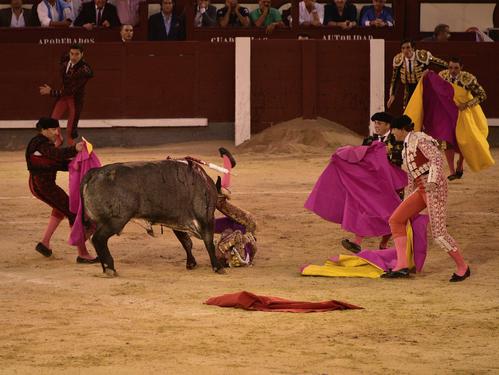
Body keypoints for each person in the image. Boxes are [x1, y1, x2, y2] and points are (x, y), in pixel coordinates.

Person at [384, 115, 470, 282]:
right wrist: (407, 199)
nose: (392, 134)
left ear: (401, 129)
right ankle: (402, 266)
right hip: (422, 188)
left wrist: (431, 181)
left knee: (439, 233)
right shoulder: (407, 144)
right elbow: (411, 175)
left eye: (393, 130)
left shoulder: (419, 139)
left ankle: (463, 267)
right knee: (396, 219)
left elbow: (436, 159)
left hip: (434, 187)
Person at [26, 118, 98, 264]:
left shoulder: (41, 143)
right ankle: (82, 254)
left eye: (57, 129)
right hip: (43, 186)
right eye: (53, 129)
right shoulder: (40, 143)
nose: (56, 132)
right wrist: (74, 150)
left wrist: (75, 162)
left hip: (41, 184)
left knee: (60, 209)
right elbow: (56, 156)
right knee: (72, 212)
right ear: (44, 130)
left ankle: (44, 244)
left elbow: (55, 161)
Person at [341, 111, 404, 253]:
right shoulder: (369, 141)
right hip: (373, 184)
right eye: (375, 123)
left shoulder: (396, 140)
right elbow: (361, 159)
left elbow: (400, 159)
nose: (376, 126)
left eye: (379, 123)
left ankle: (383, 244)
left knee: (393, 215)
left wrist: (390, 153)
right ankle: (357, 242)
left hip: (391, 184)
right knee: (366, 209)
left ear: (388, 125)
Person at [438, 57, 487, 180]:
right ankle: (452, 170)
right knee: (447, 140)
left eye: (456, 68)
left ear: (461, 68)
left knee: (464, 140)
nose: (452, 71)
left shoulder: (468, 79)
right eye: (450, 68)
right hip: (447, 113)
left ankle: (460, 162)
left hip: (463, 113)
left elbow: (482, 95)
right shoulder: (442, 76)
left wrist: (467, 104)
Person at [39, 43, 93, 147]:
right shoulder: (65, 60)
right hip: (64, 96)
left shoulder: (84, 71)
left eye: (77, 54)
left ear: (82, 55)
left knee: (70, 128)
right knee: (53, 120)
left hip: (74, 99)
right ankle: (59, 139)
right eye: (72, 54)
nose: (74, 57)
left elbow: (70, 91)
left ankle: (72, 150)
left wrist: (51, 92)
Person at [387, 39, 447, 109]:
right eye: (403, 48)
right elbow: (395, 78)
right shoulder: (398, 59)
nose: (405, 50)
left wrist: (448, 68)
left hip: (422, 86)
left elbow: (438, 62)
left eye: (408, 47)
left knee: (423, 108)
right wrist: (392, 94)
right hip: (408, 88)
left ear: (413, 48)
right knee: (408, 109)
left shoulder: (422, 55)